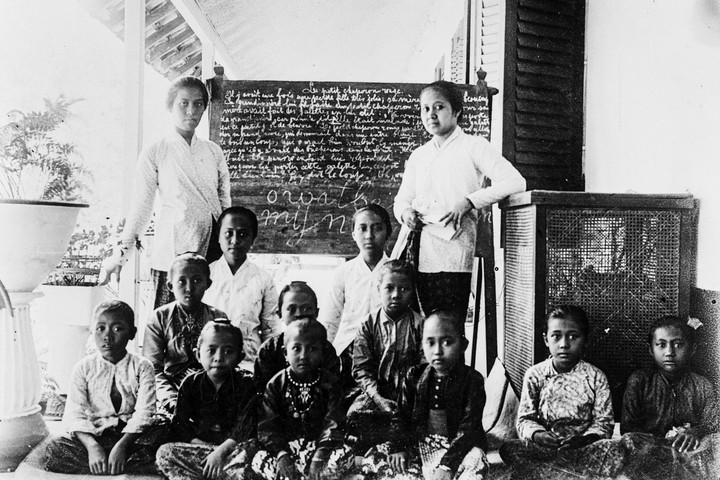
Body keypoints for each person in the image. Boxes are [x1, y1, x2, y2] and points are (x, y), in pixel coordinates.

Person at [393, 80, 525, 318]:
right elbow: (401, 200)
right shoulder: (419, 155)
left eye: (439, 107)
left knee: (449, 324)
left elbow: (515, 181)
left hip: (454, 251)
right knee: (420, 326)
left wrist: (469, 202)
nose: (431, 114)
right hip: (419, 249)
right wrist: (406, 213)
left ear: (456, 111)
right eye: (425, 108)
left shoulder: (473, 146)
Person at [101, 76, 231, 308]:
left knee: (211, 324)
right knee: (167, 323)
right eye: (183, 103)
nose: (191, 111)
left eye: (198, 104)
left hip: (211, 253)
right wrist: (120, 256)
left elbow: (225, 206)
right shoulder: (156, 151)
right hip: (171, 255)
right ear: (170, 106)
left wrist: (228, 251)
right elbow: (141, 207)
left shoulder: (213, 152)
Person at [498, 305, 624, 479]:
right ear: (546, 339)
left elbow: (604, 422)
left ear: (585, 340)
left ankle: (554, 472)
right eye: (556, 336)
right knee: (509, 448)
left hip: (584, 448)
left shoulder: (596, 377)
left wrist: (584, 440)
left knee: (615, 450)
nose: (564, 344)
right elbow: (525, 419)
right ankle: (568, 473)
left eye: (573, 337)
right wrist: (539, 435)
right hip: (546, 448)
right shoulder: (535, 375)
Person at [361, 311, 488, 480]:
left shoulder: (472, 380)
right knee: (377, 458)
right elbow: (402, 415)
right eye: (430, 343)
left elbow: (469, 428)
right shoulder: (414, 375)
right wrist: (400, 447)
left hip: (457, 446)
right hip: (421, 443)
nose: (438, 351)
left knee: (476, 459)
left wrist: (447, 465)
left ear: (463, 345)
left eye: (447, 342)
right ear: (422, 345)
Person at [45, 301, 160, 475]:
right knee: (55, 448)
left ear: (132, 333)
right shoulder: (83, 367)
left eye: (118, 329)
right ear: (92, 331)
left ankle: (108, 463)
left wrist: (122, 446)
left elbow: (145, 412)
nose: (107, 336)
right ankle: (113, 463)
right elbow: (74, 414)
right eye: (100, 328)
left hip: (131, 438)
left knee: (163, 434)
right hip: (96, 434)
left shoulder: (142, 366)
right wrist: (92, 446)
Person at [251, 319, 354, 480]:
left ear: (322, 353)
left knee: (344, 455)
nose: (304, 356)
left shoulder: (330, 383)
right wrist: (282, 455)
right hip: (286, 449)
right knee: (259, 459)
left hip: (320, 447)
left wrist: (320, 455)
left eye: (312, 349)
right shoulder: (276, 384)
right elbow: (268, 425)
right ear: (285, 353)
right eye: (296, 348)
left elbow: (333, 420)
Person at [156, 320, 259, 480]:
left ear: (240, 357)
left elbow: (246, 426)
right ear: (198, 355)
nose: (219, 358)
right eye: (211, 350)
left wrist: (221, 451)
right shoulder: (190, 383)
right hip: (201, 449)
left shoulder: (246, 384)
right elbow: (180, 425)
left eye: (228, 351)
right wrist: (207, 449)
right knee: (165, 453)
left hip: (232, 451)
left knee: (253, 452)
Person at [620, 316, 719, 479]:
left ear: (692, 349)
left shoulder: (702, 385)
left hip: (690, 453)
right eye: (661, 345)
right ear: (651, 350)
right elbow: (628, 427)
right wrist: (660, 443)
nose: (670, 352)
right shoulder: (640, 381)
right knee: (630, 441)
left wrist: (695, 432)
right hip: (650, 452)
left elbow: (713, 423)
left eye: (678, 345)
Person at [349, 260, 424, 449]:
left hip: (412, 394)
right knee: (354, 417)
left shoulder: (420, 325)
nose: (396, 295)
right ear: (378, 289)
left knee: (421, 423)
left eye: (404, 289)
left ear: (412, 291)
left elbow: (425, 367)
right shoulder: (367, 325)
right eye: (389, 288)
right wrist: (379, 399)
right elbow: (362, 370)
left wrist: (408, 397)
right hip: (376, 393)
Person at [142, 252, 227, 418]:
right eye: (181, 281)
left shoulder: (218, 318)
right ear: (170, 285)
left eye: (197, 280)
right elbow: (152, 369)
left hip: (209, 390)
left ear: (208, 284)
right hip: (170, 390)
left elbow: (224, 363)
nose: (189, 288)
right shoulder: (159, 318)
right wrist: (172, 400)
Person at [203, 206, 279, 372]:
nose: (235, 240)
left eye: (243, 234)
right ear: (218, 236)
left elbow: (271, 331)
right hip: (210, 366)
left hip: (249, 365)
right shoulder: (204, 275)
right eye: (228, 233)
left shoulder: (263, 279)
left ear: (253, 239)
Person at [320, 205, 393, 376]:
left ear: (388, 233)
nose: (369, 236)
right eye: (363, 228)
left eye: (377, 228)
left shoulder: (394, 272)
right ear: (353, 234)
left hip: (386, 351)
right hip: (347, 350)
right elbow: (329, 320)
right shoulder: (343, 272)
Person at [253, 281, 340, 394]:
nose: (299, 314)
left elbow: (332, 389)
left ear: (317, 312)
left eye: (307, 308)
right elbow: (261, 391)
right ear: (279, 313)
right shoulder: (269, 349)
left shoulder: (325, 348)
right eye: (291, 309)